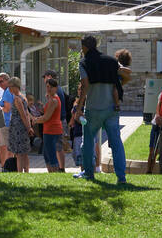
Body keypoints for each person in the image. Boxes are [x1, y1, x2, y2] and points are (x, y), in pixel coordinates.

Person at [72, 35, 127, 183]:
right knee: (116, 142)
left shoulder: (84, 62)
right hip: (111, 108)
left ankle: (89, 173)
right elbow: (120, 79)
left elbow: (85, 84)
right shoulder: (111, 61)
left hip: (94, 108)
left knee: (88, 142)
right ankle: (121, 177)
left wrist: (79, 107)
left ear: (84, 47)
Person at [36, 77, 65, 172]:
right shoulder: (51, 99)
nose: (48, 89)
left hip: (52, 130)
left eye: (51, 87)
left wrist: (36, 120)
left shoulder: (54, 100)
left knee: (51, 155)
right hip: (49, 129)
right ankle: (51, 174)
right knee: (47, 154)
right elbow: (46, 114)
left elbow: (46, 117)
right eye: (47, 87)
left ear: (56, 88)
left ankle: (54, 174)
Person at [5, 78, 33, 172]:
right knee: (24, 152)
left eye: (10, 87)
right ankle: (27, 171)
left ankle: (20, 171)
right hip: (23, 127)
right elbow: (27, 114)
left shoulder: (17, 99)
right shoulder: (23, 97)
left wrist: (28, 128)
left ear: (14, 87)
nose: (8, 89)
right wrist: (29, 127)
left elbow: (23, 115)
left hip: (18, 127)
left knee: (19, 153)